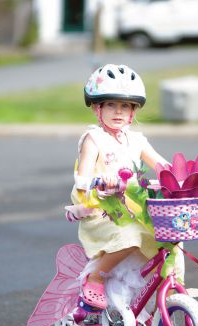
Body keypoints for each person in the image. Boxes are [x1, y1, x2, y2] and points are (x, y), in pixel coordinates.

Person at [70, 64, 180, 310]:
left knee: (168, 238)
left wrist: (188, 177)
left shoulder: (137, 140)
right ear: (98, 108)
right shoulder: (93, 139)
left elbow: (162, 165)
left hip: (132, 210)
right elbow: (82, 178)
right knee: (130, 236)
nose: (118, 111)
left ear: (132, 111)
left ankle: (162, 294)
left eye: (125, 106)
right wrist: (99, 182)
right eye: (111, 104)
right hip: (101, 212)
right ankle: (95, 277)